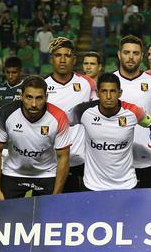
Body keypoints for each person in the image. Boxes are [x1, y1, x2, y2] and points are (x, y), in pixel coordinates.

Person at [0, 76, 71, 200]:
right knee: (5, 217)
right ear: (21, 96)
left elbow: (63, 157)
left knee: (47, 217)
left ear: (46, 97)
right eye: (29, 97)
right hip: (13, 172)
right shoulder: (6, 113)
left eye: (39, 98)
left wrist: (56, 196)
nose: (33, 104)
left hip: (46, 173)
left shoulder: (59, 117)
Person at [71, 73, 151, 190]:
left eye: (113, 91)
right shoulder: (82, 111)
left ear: (120, 93)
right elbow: (60, 121)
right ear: (97, 93)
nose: (108, 96)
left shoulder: (134, 112)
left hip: (126, 185)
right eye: (104, 91)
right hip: (93, 186)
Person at [114, 36, 151, 188]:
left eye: (136, 53)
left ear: (142, 56)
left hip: (147, 160)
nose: (131, 57)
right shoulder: (110, 81)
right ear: (119, 54)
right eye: (126, 52)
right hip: (115, 162)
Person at [44, 37, 96, 192]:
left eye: (67, 56)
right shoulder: (43, 86)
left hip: (83, 160)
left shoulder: (88, 84)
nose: (62, 60)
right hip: (51, 162)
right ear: (52, 59)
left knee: (82, 211)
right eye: (58, 55)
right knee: (51, 210)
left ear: (74, 60)